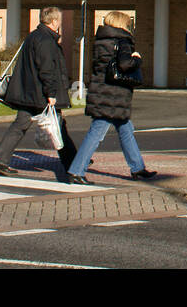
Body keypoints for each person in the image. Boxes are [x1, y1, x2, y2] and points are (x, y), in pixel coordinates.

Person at [0, 6, 78, 177]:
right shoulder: (46, 41)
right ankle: (73, 165)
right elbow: (47, 69)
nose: (59, 24)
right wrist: (51, 93)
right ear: (54, 21)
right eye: (59, 21)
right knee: (57, 127)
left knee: (22, 125)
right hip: (39, 94)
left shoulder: (33, 36)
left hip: (28, 92)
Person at [65, 10, 155, 185]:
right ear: (122, 25)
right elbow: (124, 64)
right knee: (96, 132)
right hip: (113, 95)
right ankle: (76, 171)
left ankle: (138, 168)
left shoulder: (100, 41)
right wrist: (136, 59)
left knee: (126, 129)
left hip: (102, 91)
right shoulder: (123, 41)